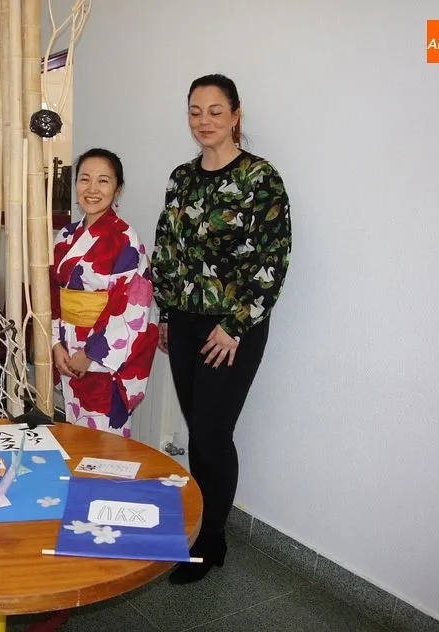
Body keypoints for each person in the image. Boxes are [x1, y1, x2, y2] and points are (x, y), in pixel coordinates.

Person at [151, 74, 292, 584]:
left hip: (234, 328)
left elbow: (272, 261)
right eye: (194, 111)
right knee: (198, 433)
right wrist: (165, 314)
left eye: (215, 111)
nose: (203, 121)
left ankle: (211, 541)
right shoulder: (180, 178)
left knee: (211, 436)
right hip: (185, 323)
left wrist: (233, 325)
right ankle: (199, 528)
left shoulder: (260, 179)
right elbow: (166, 249)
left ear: (235, 115)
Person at [50, 148, 159, 438]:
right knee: (73, 437)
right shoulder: (65, 236)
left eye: (103, 181)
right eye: (85, 179)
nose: (92, 189)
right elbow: (52, 295)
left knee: (104, 445)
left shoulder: (125, 240)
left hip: (104, 360)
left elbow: (132, 306)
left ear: (117, 189)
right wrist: (55, 344)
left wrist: (90, 353)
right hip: (67, 350)